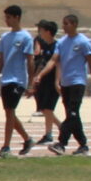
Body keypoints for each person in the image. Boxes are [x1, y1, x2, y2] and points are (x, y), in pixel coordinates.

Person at [41, 13, 91, 155]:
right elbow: (54, 60)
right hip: (66, 83)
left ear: (74, 24)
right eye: (63, 23)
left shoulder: (83, 42)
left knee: (72, 113)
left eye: (66, 23)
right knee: (72, 115)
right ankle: (83, 145)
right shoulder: (62, 42)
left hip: (77, 82)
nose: (64, 26)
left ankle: (61, 143)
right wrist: (40, 75)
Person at [0, 5, 37, 157]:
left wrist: (30, 83)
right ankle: (27, 139)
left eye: (9, 17)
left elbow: (30, 60)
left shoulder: (26, 37)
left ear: (17, 17)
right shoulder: (5, 37)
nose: (6, 20)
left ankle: (6, 146)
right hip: (6, 78)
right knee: (9, 112)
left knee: (10, 111)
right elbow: (1, 59)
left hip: (18, 80)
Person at [30, 18, 61, 149]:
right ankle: (59, 128)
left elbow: (55, 64)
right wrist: (35, 77)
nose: (39, 32)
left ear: (48, 32)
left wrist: (56, 81)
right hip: (44, 80)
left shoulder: (57, 46)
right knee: (44, 108)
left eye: (41, 30)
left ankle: (50, 133)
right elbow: (42, 63)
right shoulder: (46, 45)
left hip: (52, 81)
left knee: (48, 108)